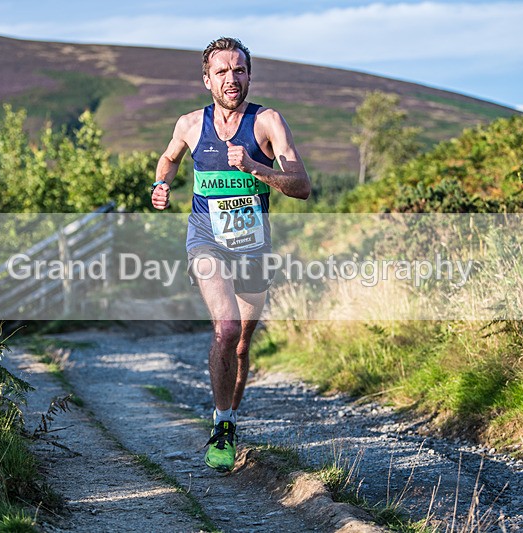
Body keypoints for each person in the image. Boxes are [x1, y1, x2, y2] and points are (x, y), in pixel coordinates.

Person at [151, 37, 311, 473]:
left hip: (253, 246)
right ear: (207, 80)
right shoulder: (189, 124)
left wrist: (256, 168)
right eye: (221, 71)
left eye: (239, 70)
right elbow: (167, 159)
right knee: (225, 328)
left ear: (249, 75)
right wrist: (160, 185)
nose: (231, 78)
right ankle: (221, 425)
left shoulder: (268, 122)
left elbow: (301, 186)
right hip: (206, 237)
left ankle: (230, 417)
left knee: (241, 344)